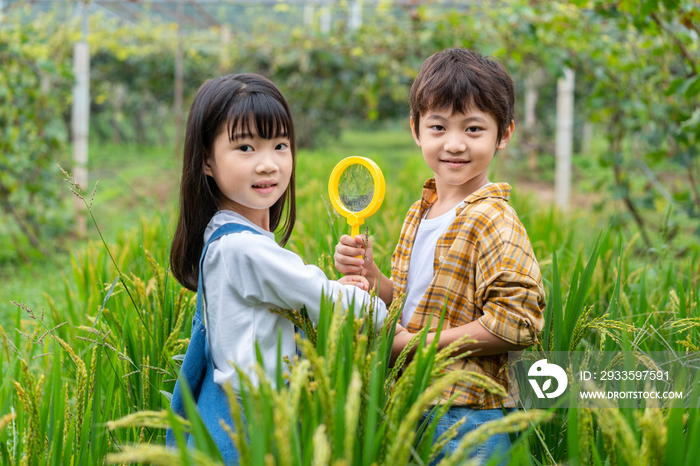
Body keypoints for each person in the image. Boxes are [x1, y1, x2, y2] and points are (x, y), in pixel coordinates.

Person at [334, 48, 546, 466]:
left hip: (468, 416)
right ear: (415, 129)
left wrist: (414, 346)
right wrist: (376, 280)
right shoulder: (422, 210)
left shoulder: (492, 220)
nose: (454, 144)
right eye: (437, 126)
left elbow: (518, 321)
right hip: (415, 401)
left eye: (473, 129)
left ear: (503, 134)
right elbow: (417, 306)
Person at [167, 73, 388, 465]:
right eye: (246, 147)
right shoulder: (244, 249)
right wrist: (372, 307)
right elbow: (326, 300)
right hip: (254, 429)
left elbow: (298, 301)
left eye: (280, 145)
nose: (267, 164)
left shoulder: (223, 237)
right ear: (206, 161)